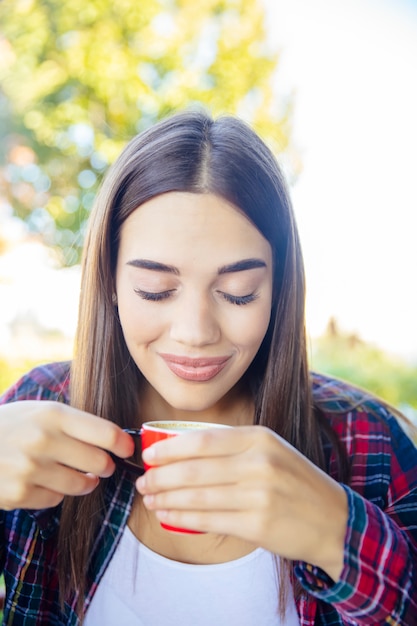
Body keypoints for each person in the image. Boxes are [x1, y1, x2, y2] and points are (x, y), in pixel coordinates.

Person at [0, 109, 416, 626]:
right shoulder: (35, 409)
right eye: (156, 289)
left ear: (280, 288)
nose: (195, 332)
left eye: (238, 294)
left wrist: (340, 534)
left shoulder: (369, 440)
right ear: (108, 277)